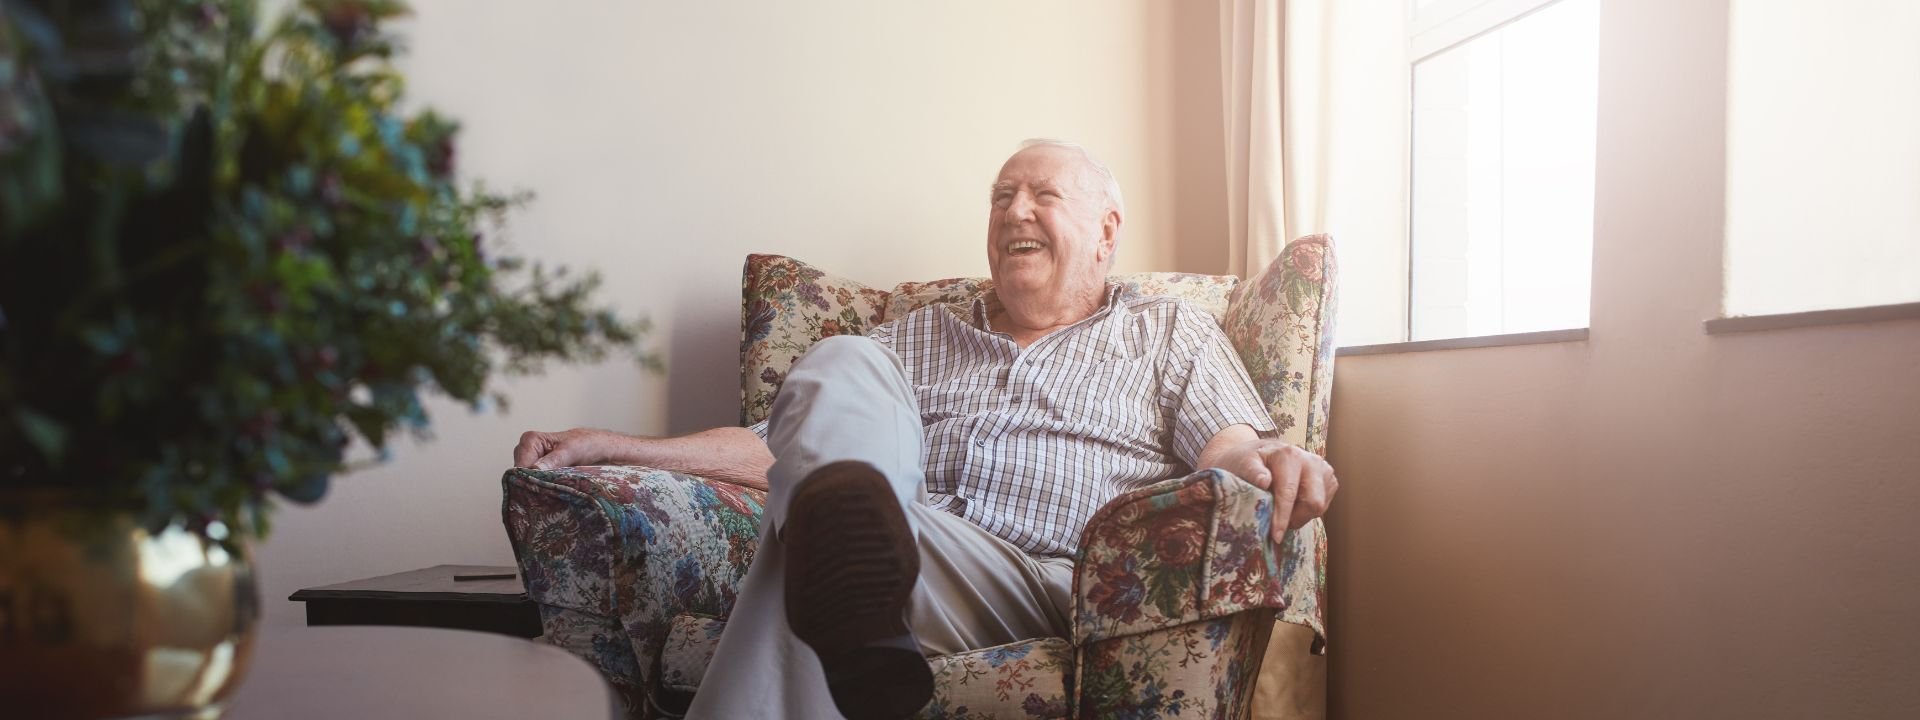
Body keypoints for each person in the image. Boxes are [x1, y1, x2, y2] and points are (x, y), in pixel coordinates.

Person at [511, 140, 1338, 720]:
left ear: (1107, 232)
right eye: (1001, 197)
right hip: (905, 548)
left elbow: (1230, 448)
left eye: (1043, 195)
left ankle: (845, 561)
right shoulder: (920, 335)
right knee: (840, 380)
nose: (1014, 211)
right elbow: (775, 445)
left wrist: (1275, 457)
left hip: (1048, 582)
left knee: (804, 544)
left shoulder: (1168, 331)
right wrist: (617, 448)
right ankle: (859, 591)